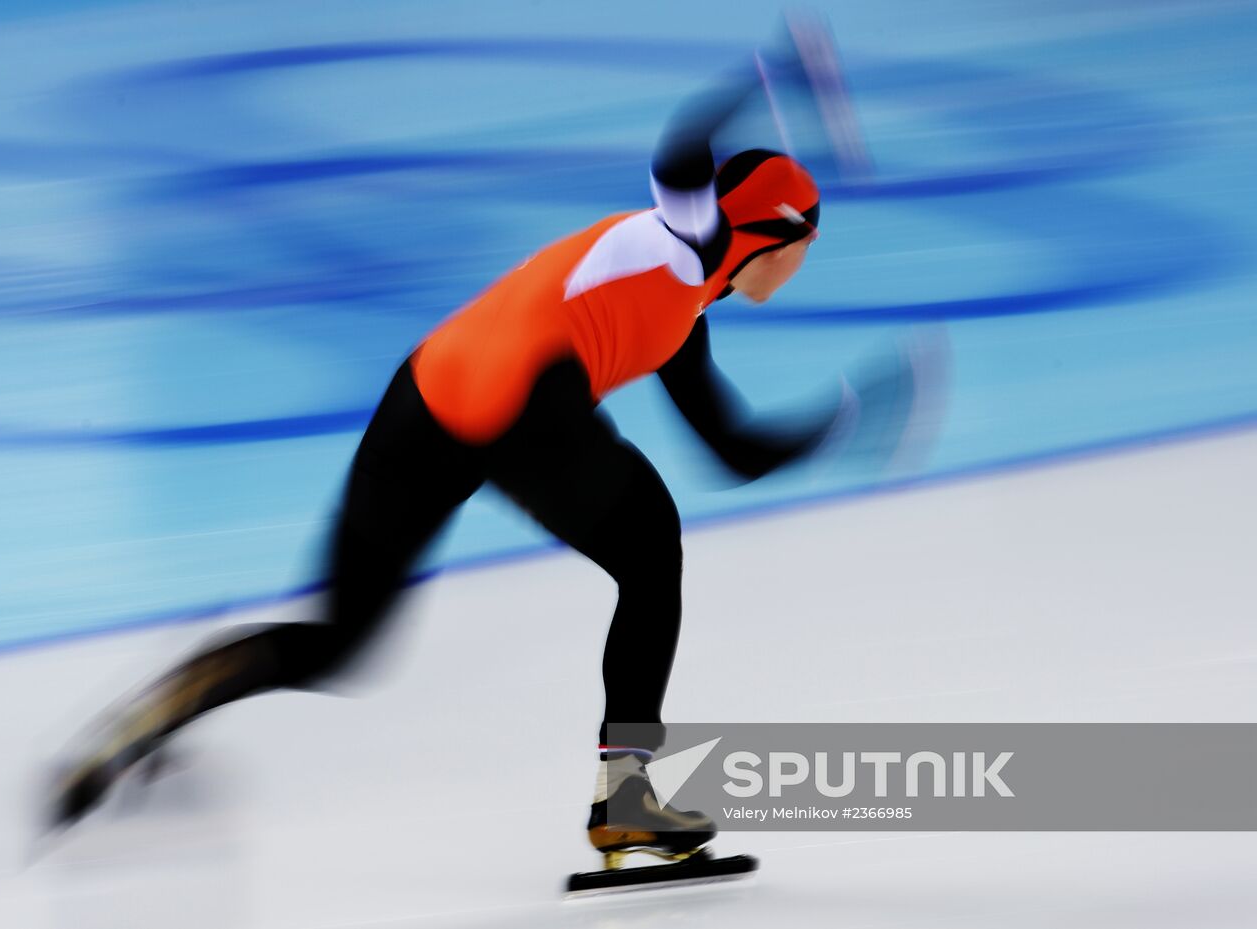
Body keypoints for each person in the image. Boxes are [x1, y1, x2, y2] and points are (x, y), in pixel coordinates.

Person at [48, 61, 918, 875]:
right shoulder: (686, 237)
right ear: (775, 235)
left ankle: (161, 706)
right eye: (807, 244)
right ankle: (626, 799)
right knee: (651, 547)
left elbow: (730, 447)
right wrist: (766, 75)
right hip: (518, 403)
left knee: (340, 643)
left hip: (427, 393)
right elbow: (682, 147)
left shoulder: (687, 312)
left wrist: (837, 420)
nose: (804, 265)